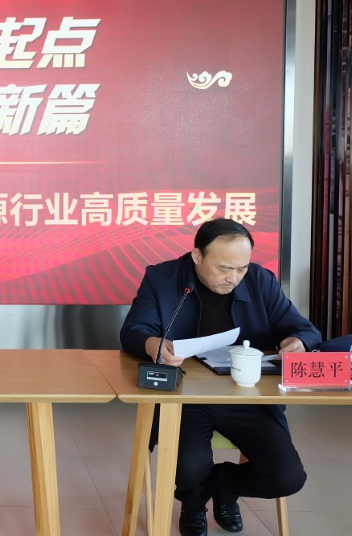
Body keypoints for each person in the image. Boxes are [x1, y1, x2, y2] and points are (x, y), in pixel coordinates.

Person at [120, 218, 321, 536]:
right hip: (184, 397)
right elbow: (133, 330)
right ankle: (193, 503)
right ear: (197, 255)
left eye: (241, 268)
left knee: (287, 476)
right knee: (190, 466)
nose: (234, 278)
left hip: (247, 395)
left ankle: (224, 487)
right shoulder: (162, 277)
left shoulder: (260, 279)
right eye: (225, 268)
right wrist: (152, 343)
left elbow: (302, 328)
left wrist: (297, 342)